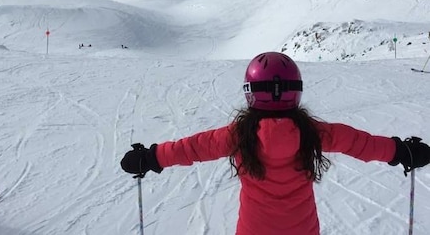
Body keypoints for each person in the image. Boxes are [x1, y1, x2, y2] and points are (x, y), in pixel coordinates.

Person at [120, 51, 430, 235]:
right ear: (296, 90)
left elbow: (192, 148)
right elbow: (359, 142)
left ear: (250, 92)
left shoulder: (238, 135)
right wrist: (400, 151)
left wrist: (153, 157)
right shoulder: (314, 133)